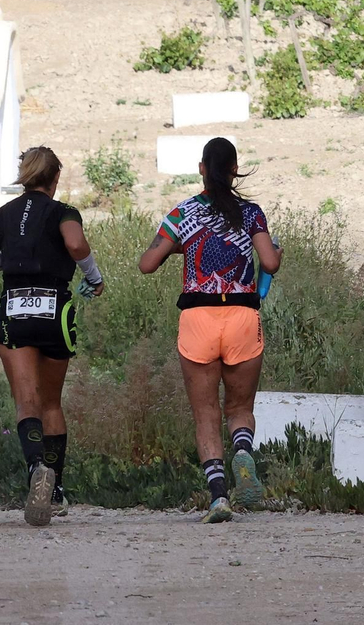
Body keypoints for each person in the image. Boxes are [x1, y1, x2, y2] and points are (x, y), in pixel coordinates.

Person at [138, 138, 281, 524]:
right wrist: (276, 253)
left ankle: (219, 498)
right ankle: (242, 454)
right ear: (235, 169)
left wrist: (179, 246)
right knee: (239, 408)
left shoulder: (182, 213)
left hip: (198, 320)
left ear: (202, 168)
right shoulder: (251, 213)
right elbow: (269, 261)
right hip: (241, 317)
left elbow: (147, 263)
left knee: (205, 413)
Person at [0, 147, 105, 526]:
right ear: (55, 178)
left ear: (24, 176)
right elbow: (76, 244)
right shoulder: (63, 212)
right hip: (55, 311)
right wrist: (93, 277)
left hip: (15, 310)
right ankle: (57, 488)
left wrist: (12, 255)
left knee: (25, 401)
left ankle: (35, 471)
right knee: (51, 404)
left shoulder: (3, 215)